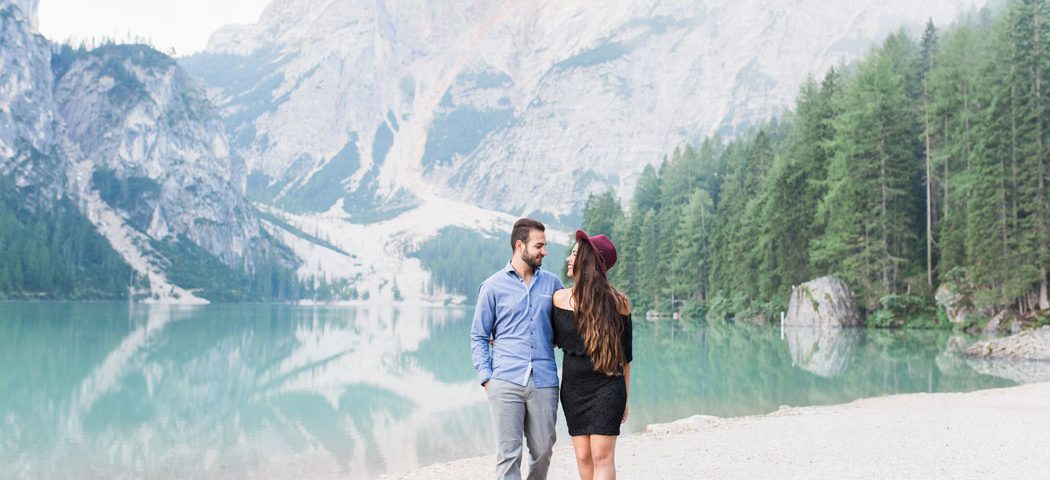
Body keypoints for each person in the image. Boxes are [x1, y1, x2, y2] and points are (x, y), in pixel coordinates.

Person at [471, 218, 565, 480]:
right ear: (520, 245)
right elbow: (479, 335)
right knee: (508, 455)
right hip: (505, 380)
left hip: (544, 380)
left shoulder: (553, 284)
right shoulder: (492, 286)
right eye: (539, 246)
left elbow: (564, 329)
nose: (544, 251)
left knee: (544, 450)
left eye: (545, 246)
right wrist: (487, 378)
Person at [551, 229, 632, 480]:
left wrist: (626, 399)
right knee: (583, 456)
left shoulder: (618, 303)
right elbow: (543, 339)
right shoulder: (559, 299)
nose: (568, 258)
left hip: (608, 387)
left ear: (587, 260)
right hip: (574, 389)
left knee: (601, 456)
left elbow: (626, 357)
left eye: (574, 254)